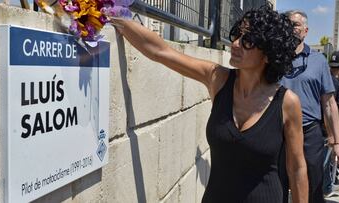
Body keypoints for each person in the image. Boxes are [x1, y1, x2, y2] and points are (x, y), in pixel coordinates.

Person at [110, 3, 308, 202]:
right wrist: (110, 14)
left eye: (247, 40)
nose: (236, 44)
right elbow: (160, 51)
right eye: (237, 35)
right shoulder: (218, 80)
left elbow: (297, 168)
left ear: (268, 52)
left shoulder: (286, 103)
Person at [280, 10, 339, 203]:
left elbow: (329, 104)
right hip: (278, 131)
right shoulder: (274, 57)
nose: (291, 29)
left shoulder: (318, 61)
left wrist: (337, 142)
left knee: (313, 186)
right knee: (277, 184)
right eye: (288, 25)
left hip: (309, 133)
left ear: (306, 30)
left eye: (296, 25)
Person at [323, 50, 339, 197]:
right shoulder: (333, 81)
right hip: (325, 129)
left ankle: (327, 185)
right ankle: (325, 187)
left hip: (323, 128)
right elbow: (330, 108)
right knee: (324, 163)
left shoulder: (328, 78)